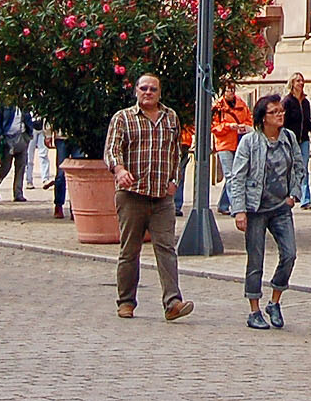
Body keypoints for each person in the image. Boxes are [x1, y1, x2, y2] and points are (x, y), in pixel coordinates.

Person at [104, 73, 193, 322]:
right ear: (135, 91)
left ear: (159, 93)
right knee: (130, 250)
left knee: (166, 248)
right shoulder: (123, 118)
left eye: (153, 89)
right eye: (144, 88)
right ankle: (126, 301)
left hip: (162, 196)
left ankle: (173, 302)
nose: (148, 92)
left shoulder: (170, 117)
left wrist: (175, 180)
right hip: (132, 195)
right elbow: (112, 150)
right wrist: (119, 170)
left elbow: (177, 152)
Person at [225, 93, 303, 329]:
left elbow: (299, 167)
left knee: (289, 254)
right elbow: (236, 176)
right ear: (263, 117)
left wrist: (294, 195)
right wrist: (239, 210)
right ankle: (254, 310)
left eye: (281, 111)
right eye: (274, 112)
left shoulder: (288, 138)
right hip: (255, 207)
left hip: (281, 207)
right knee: (256, 258)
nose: (280, 115)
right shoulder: (250, 142)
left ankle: (275, 301)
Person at [282, 74, 311, 212]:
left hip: (303, 139)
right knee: (289, 168)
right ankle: (287, 196)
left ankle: (305, 199)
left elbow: (306, 120)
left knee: (303, 168)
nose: (301, 83)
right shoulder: (287, 102)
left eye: (302, 80)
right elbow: (283, 122)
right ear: (292, 83)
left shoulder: (305, 102)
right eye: (298, 81)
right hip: (291, 140)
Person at [208, 82, 251, 195]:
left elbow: (249, 119)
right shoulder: (217, 107)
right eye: (228, 90)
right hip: (224, 144)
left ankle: (224, 204)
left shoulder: (241, 104)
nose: (231, 93)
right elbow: (214, 127)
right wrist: (228, 126)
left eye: (232, 90)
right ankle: (235, 204)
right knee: (230, 175)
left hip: (239, 142)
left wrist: (243, 126)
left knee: (237, 175)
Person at [0, 96, 32, 203]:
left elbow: (28, 120)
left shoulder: (25, 105)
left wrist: (28, 135)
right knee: (5, 166)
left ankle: (18, 193)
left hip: (21, 137)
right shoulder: (5, 104)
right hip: (8, 138)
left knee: (21, 166)